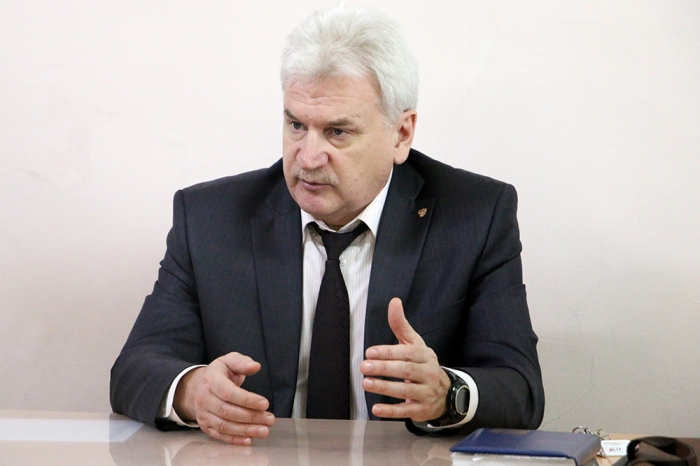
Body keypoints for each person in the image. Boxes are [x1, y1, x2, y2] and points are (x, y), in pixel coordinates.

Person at [110, 3, 545, 446]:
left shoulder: (474, 216)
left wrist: (446, 393)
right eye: (296, 125)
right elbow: (135, 368)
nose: (308, 156)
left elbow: (521, 391)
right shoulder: (211, 218)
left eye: (338, 132)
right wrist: (192, 391)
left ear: (401, 134)